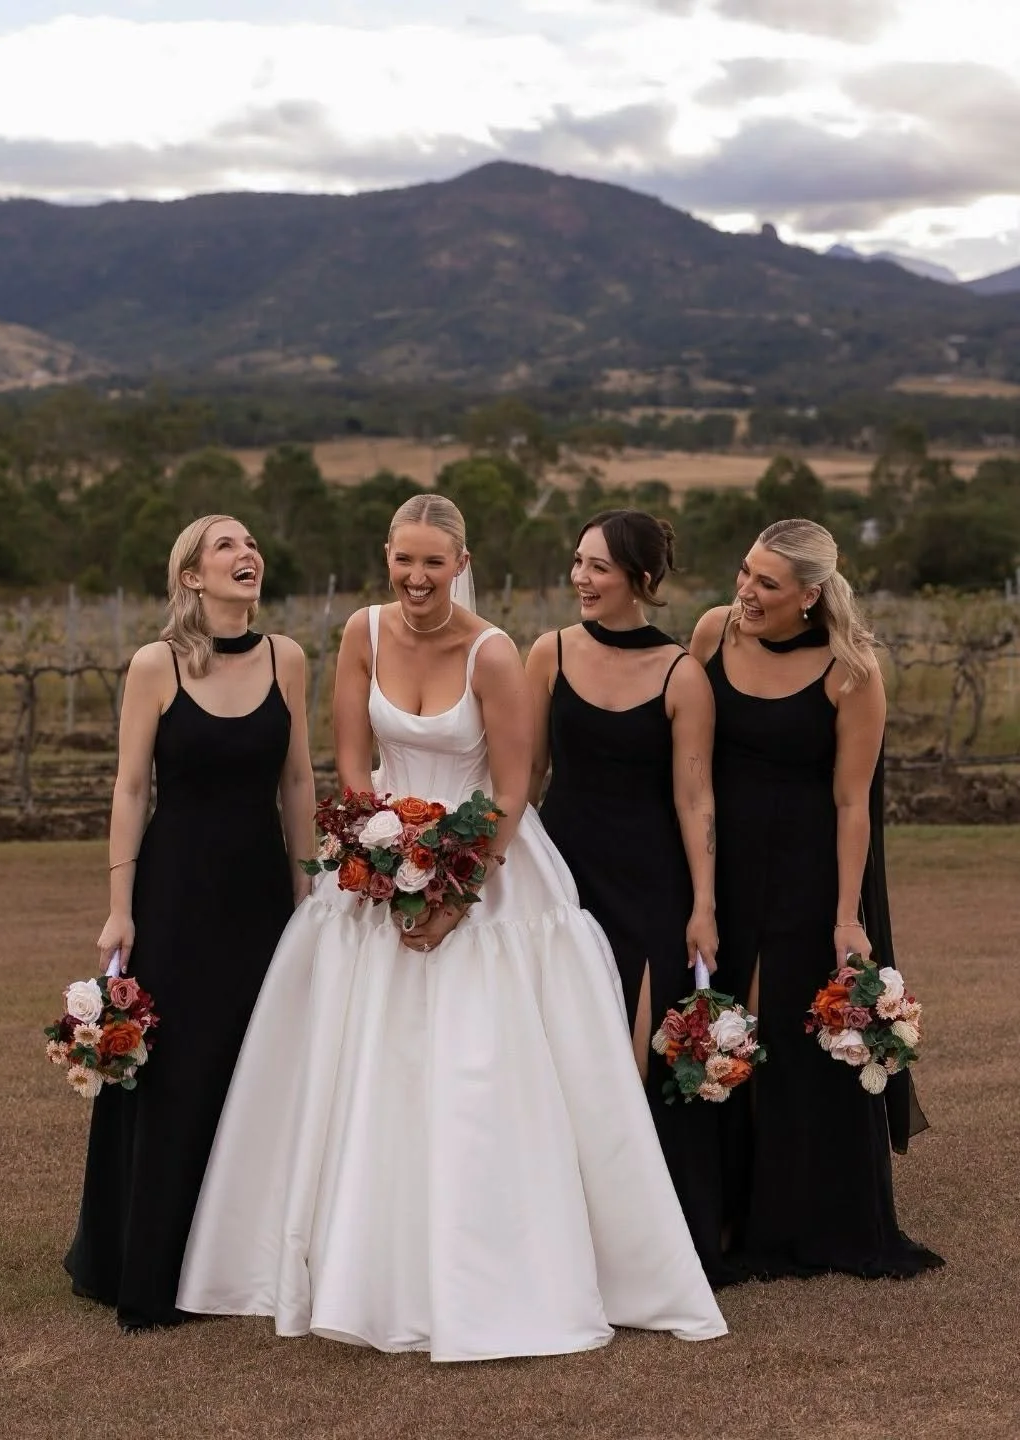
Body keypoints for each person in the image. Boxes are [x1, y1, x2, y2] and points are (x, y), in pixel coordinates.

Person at [177, 494, 727, 1360]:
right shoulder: (360, 632)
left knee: (480, 1073)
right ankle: (350, 1258)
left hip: (488, 869)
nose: (417, 578)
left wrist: (454, 892)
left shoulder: (496, 652)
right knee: (361, 1066)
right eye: (405, 560)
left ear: (460, 561)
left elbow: (512, 788)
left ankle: (499, 1266)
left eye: (435, 562)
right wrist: (376, 854)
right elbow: (351, 761)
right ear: (386, 555)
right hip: (377, 868)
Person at [64, 513, 315, 1330]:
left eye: (250, 541)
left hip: (260, 897)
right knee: (173, 1068)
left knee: (255, 1062)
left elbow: (300, 786)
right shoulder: (156, 665)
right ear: (192, 577)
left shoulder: (289, 659)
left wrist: (309, 897)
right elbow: (131, 789)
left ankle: (239, 1267)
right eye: (225, 546)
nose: (247, 553)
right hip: (175, 892)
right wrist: (118, 908)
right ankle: (151, 1265)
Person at [689, 517, 943, 1280]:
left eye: (766, 583)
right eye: (744, 572)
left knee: (796, 1038)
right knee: (723, 1026)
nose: (746, 591)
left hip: (808, 872)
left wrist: (846, 917)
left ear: (809, 594)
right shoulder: (710, 635)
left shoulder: (850, 669)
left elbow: (852, 803)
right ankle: (725, 1210)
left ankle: (803, 1216)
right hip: (723, 865)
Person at [526, 510, 729, 1283]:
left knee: (637, 1052)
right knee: (561, 1052)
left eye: (598, 568)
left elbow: (695, 799)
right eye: (577, 562)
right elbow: (527, 775)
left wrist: (703, 903)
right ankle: (563, 1238)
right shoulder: (547, 653)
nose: (580, 578)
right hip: (562, 875)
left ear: (642, 581)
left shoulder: (683, 675)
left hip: (649, 882)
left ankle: (646, 1245)